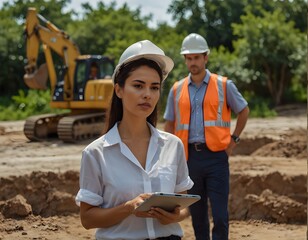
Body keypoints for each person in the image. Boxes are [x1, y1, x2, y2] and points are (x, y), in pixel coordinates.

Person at [75, 40, 194, 240]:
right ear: (119, 90)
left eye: (154, 88)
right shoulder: (96, 153)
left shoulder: (173, 146)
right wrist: (128, 208)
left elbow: (183, 207)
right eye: (138, 86)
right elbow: (87, 219)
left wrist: (173, 217)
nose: (147, 94)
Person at [163, 33, 249, 240]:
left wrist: (233, 141)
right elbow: (169, 124)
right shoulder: (176, 89)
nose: (193, 62)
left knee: (220, 215)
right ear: (185, 60)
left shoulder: (224, 85)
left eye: (197, 57)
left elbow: (244, 110)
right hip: (189, 159)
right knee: (198, 215)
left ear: (206, 57)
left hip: (217, 157)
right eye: (189, 58)